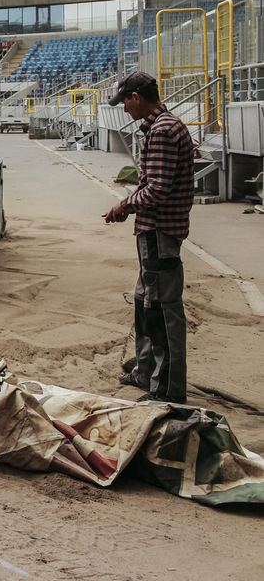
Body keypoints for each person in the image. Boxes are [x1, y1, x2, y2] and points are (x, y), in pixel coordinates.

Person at [102, 71, 195, 404]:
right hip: (154, 232)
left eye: (125, 102)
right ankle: (145, 372)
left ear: (137, 97)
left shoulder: (163, 132)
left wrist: (124, 205)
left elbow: (156, 190)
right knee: (145, 303)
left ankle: (167, 390)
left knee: (161, 310)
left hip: (160, 232)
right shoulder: (166, 128)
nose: (124, 109)